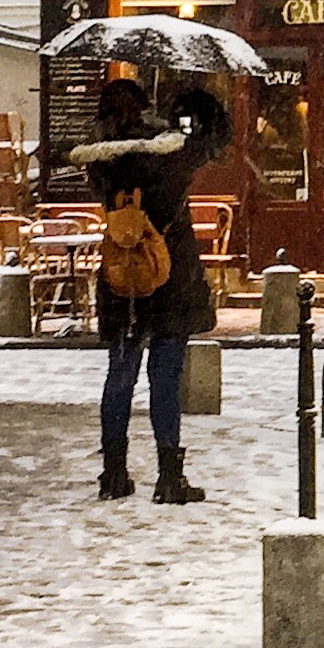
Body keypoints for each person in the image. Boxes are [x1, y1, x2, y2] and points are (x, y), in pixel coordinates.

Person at [74, 78, 226, 501]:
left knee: (120, 376)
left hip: (123, 277)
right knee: (165, 377)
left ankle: (114, 474)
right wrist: (190, 103)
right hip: (169, 277)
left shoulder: (100, 159)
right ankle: (168, 477)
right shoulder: (167, 152)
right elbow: (213, 139)